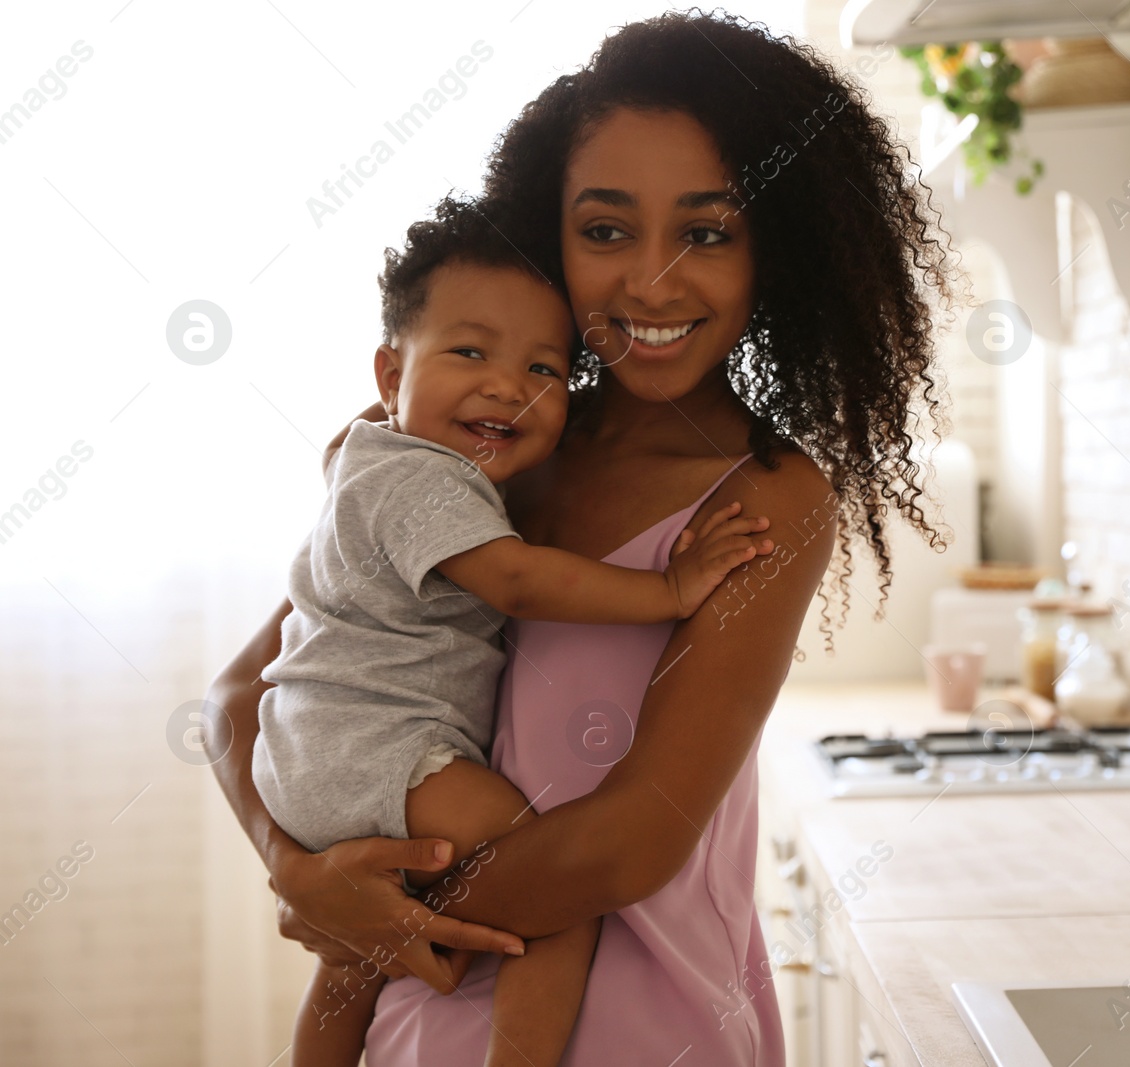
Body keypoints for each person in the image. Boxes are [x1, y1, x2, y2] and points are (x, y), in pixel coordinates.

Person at [205, 12, 953, 1064]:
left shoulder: (765, 501)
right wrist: (301, 873)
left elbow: (631, 836)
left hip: (649, 1028)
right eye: (605, 230)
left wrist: (377, 913)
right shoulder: (484, 450)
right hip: (421, 1011)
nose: (650, 282)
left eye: (707, 231)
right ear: (545, 234)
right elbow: (246, 694)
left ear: (777, 246)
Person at [258, 196, 775, 1067]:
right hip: (380, 745)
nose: (507, 385)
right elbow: (520, 579)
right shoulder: (428, 484)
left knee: (353, 960)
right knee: (554, 891)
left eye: (544, 370)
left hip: (310, 746)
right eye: (470, 353)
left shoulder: (369, 455)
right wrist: (669, 586)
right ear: (391, 376)